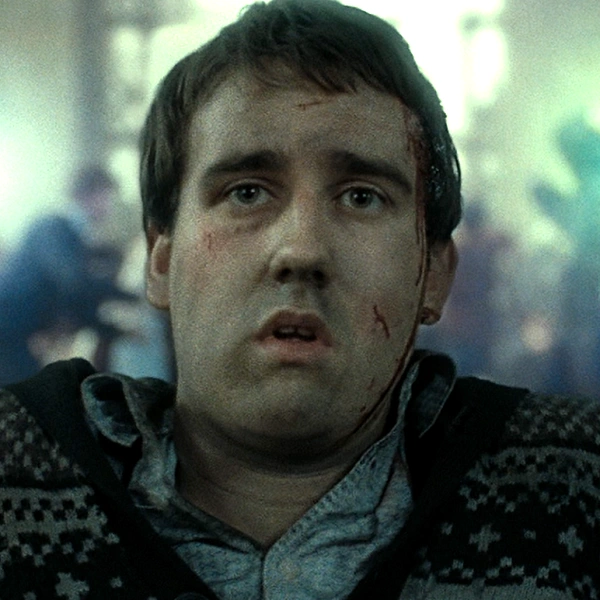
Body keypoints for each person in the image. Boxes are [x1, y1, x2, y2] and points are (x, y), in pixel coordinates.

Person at [0, 1, 598, 598]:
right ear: (160, 259)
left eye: (362, 197)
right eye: (247, 192)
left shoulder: (573, 487)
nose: (302, 250)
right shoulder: (16, 474)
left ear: (434, 273)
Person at [0, 166, 133, 385]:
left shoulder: (69, 234)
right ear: (89, 194)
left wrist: (114, 328)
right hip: (8, 332)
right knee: (21, 391)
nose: (109, 207)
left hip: (18, 334)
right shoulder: (51, 227)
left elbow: (75, 295)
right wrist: (131, 296)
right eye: (107, 197)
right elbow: (75, 284)